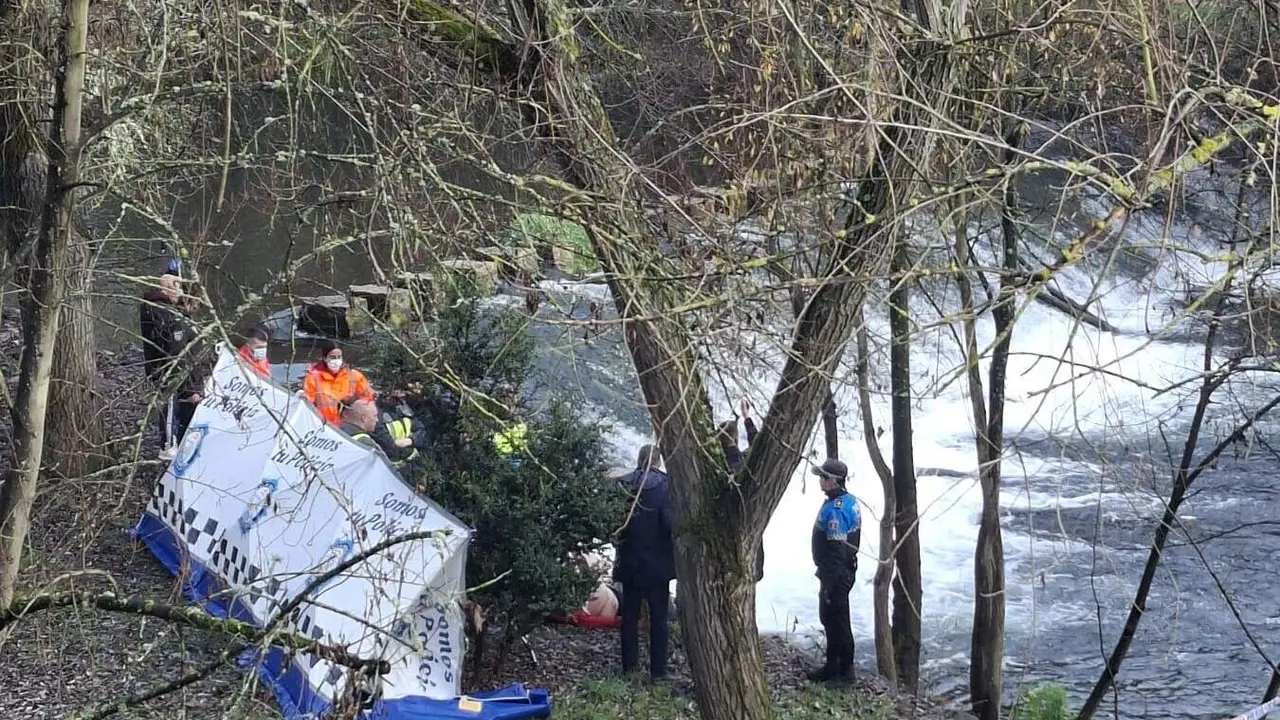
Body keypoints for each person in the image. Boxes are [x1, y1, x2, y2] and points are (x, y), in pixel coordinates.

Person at [614, 444, 676, 682]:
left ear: (639, 460)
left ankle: (629, 668)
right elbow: (670, 525)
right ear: (658, 462)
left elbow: (616, 524)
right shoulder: (666, 486)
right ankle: (658, 672)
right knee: (659, 619)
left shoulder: (625, 483)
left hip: (630, 562)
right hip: (657, 565)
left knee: (629, 617)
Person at [806, 458, 861, 686]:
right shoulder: (846, 501)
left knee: (838, 621)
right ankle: (832, 665)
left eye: (823, 477)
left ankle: (845, 673)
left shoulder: (837, 510)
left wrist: (827, 585)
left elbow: (837, 553)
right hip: (839, 572)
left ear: (833, 481)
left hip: (837, 575)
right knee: (830, 620)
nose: (820, 481)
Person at [139, 274, 200, 456]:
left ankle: (173, 442)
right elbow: (176, 351)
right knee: (169, 405)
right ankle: (167, 446)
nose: (179, 293)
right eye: (176, 289)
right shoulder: (168, 316)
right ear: (166, 289)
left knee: (171, 406)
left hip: (159, 366)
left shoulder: (151, 308)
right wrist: (188, 388)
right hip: (167, 370)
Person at [720, 399, 763, 581]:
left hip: (722, 539)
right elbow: (759, 445)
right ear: (736, 439)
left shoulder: (713, 468)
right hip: (749, 534)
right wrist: (747, 418)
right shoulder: (746, 462)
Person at [303, 341, 374, 426]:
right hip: (326, 427)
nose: (336, 360)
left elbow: (369, 398)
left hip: (350, 426)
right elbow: (307, 406)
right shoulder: (313, 378)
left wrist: (356, 405)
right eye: (332, 357)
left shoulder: (353, 375)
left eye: (339, 357)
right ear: (325, 358)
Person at [341, 399, 419, 466]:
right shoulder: (365, 442)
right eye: (375, 416)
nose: (377, 420)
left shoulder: (339, 430)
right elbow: (385, 468)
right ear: (364, 418)